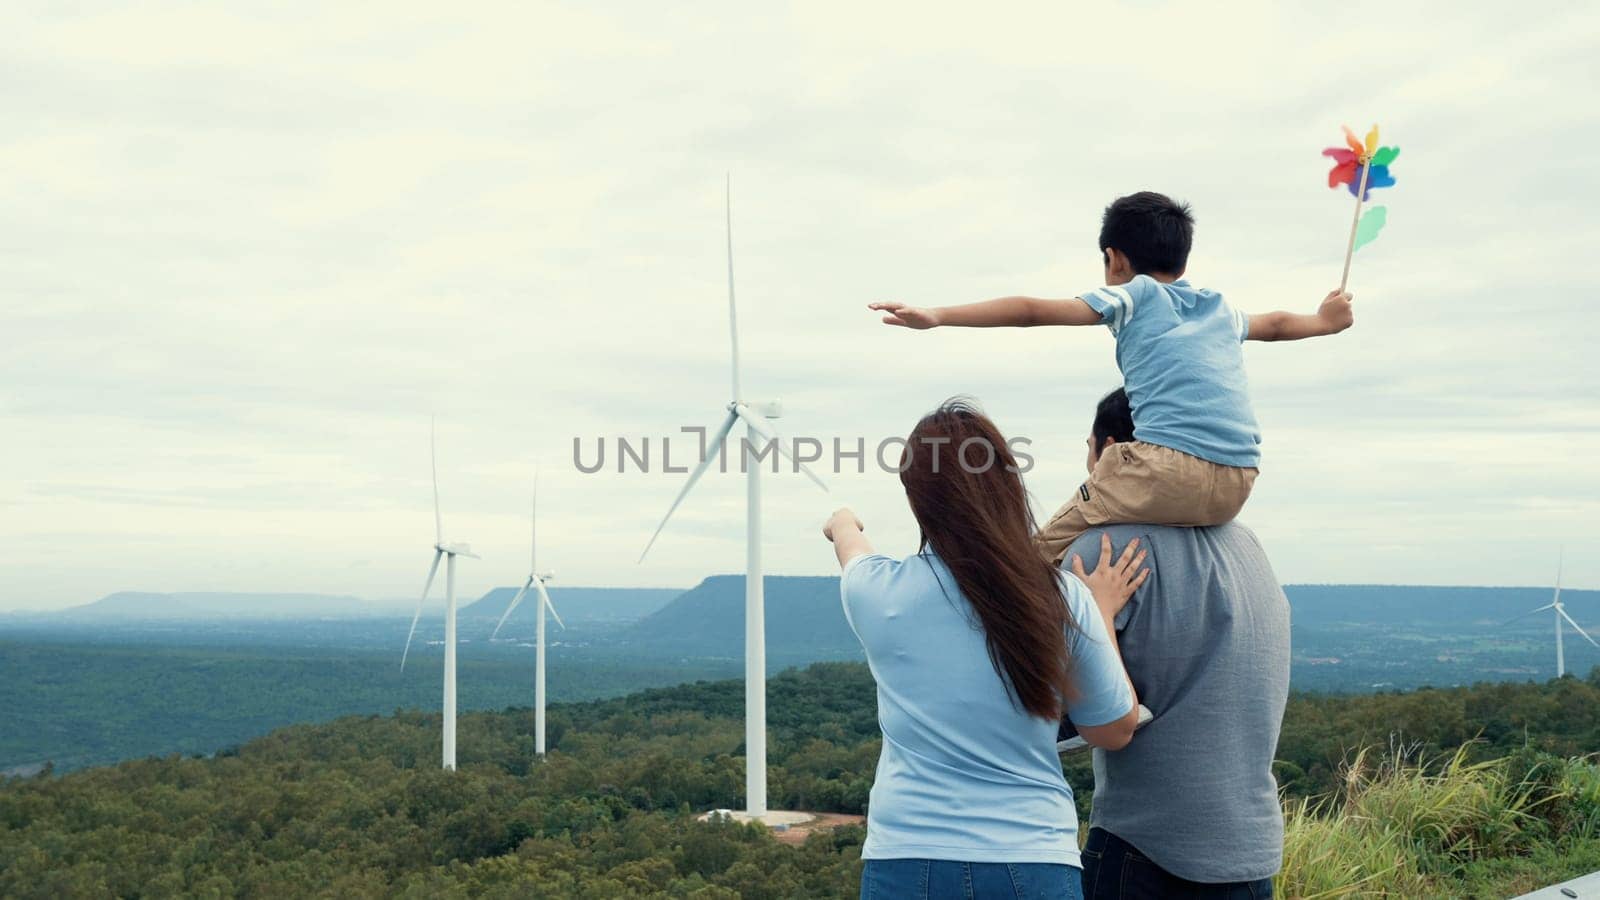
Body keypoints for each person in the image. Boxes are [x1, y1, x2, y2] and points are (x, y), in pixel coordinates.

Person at [869, 191, 1355, 565]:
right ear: (1183, 258)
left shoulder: (1135, 295)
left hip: (1165, 470)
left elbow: (1031, 312)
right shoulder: (1219, 307)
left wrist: (937, 315)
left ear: (1115, 259)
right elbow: (1274, 325)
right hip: (1237, 483)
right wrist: (1325, 321)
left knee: (1042, 553)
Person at [823, 399, 1148, 900]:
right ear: (1007, 486)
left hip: (908, 860)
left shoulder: (878, 593)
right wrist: (1101, 613)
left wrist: (843, 521)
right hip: (1033, 859)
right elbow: (1112, 728)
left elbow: (851, 549)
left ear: (917, 499)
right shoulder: (1062, 597)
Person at [1064, 517, 1291, 898]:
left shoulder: (1104, 551)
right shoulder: (1249, 545)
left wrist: (1097, 613)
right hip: (1249, 849)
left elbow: (1094, 722)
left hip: (1143, 846)